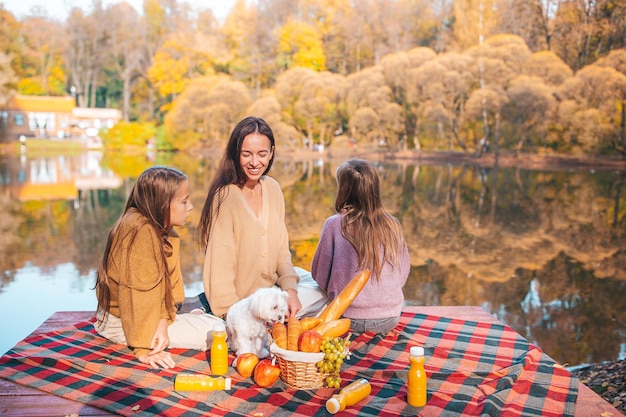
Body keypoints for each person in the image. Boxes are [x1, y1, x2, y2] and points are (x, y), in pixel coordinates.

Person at [196, 116, 328, 319]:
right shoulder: (225, 197)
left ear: (271, 153)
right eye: (246, 154)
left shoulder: (273, 188)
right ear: (235, 153)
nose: (255, 162)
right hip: (241, 305)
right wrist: (233, 316)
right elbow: (220, 269)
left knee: (325, 294)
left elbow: (281, 252)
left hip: (272, 294)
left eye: (262, 154)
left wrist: (290, 292)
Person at [94, 166, 223, 369]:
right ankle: (195, 318)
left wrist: (165, 319)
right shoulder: (139, 231)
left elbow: (169, 286)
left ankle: (191, 316)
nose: (190, 206)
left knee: (209, 304)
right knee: (220, 331)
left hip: (149, 316)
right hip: (128, 324)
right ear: (162, 204)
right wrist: (144, 348)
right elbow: (135, 293)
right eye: (183, 201)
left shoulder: (163, 230)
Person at [311, 159, 410, 334]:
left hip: (347, 317)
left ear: (343, 190)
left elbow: (319, 276)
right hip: (390, 317)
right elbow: (402, 274)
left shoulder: (334, 225)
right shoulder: (393, 224)